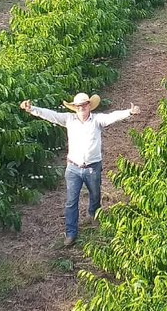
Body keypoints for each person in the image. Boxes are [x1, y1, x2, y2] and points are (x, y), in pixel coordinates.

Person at [20, 92, 139, 247]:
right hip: (73, 168)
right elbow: (51, 115)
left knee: (95, 194)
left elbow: (112, 116)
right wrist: (32, 109)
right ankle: (71, 233)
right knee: (71, 201)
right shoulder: (69, 119)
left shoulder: (96, 120)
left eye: (84, 105)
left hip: (92, 167)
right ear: (74, 107)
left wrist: (129, 112)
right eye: (78, 106)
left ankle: (93, 214)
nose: (81, 108)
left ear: (89, 105)